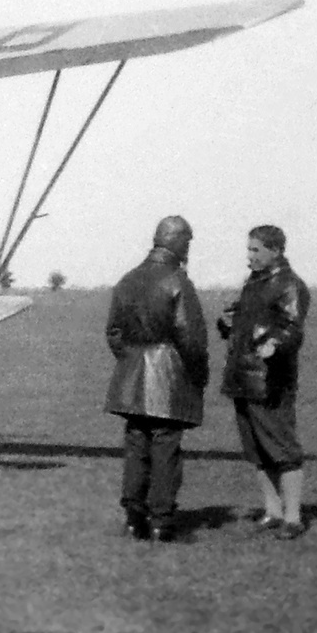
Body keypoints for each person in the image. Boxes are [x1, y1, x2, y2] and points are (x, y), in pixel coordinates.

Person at [104, 216, 209, 542]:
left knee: (137, 444)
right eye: (187, 242)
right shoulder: (178, 281)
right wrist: (198, 373)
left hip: (132, 378)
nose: (189, 249)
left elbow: (114, 333)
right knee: (165, 448)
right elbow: (190, 338)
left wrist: (132, 358)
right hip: (167, 377)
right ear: (176, 241)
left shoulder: (128, 280)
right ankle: (162, 520)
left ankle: (134, 515)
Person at [218, 225, 312, 540]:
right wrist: (227, 320)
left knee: (283, 450)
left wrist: (275, 344)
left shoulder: (289, 285)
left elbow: (291, 328)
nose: (249, 255)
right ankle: (272, 511)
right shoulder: (253, 283)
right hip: (243, 378)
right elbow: (243, 318)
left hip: (271, 382)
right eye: (249, 249)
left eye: (255, 250)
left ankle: (293, 517)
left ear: (275, 250)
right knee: (257, 451)